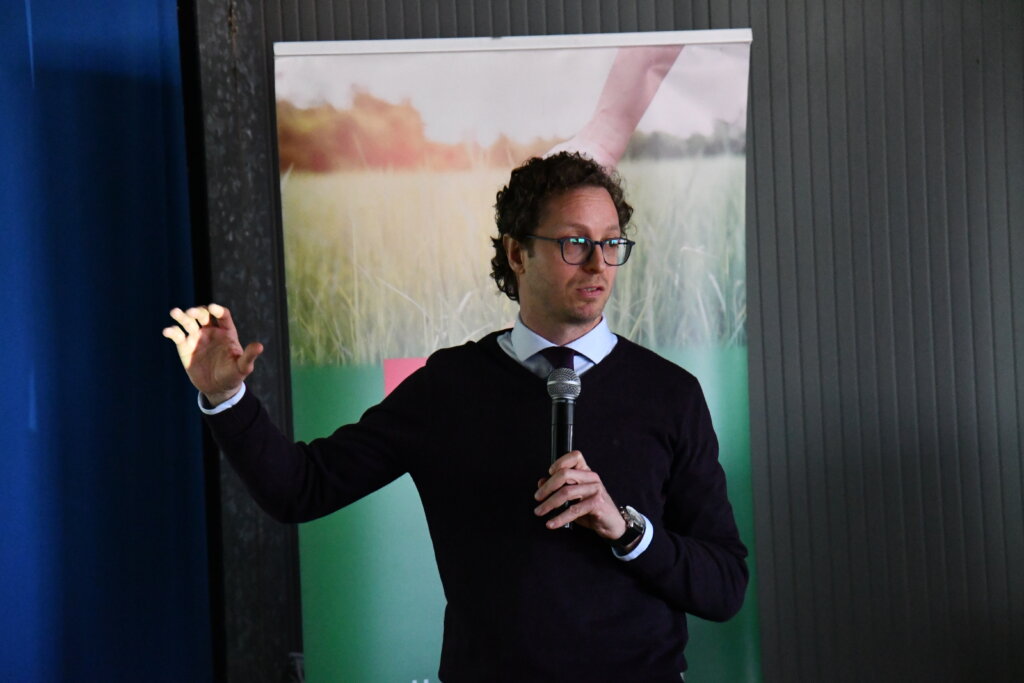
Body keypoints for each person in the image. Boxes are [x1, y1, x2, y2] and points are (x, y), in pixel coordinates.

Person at [163, 152, 748, 682]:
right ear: (517, 253)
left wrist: (627, 529)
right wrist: (227, 399)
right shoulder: (449, 387)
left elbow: (724, 586)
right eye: (574, 242)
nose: (598, 263)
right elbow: (300, 487)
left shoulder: (671, 393)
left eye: (611, 243)